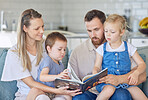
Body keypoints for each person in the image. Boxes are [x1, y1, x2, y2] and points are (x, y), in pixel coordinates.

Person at [1, 9, 81, 100]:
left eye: (42, 26)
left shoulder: (47, 46)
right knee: (42, 97)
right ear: (25, 28)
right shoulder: (15, 53)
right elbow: (31, 83)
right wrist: (57, 91)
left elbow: (56, 68)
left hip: (51, 93)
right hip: (29, 95)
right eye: (37, 28)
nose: (42, 31)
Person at [69, 9, 147, 100]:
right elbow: (72, 81)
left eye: (96, 29)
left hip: (117, 89)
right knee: (79, 98)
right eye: (89, 31)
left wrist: (120, 79)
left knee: (123, 95)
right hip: (92, 92)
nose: (93, 34)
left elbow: (142, 75)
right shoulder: (78, 51)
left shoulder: (125, 47)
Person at [93, 14, 147, 100]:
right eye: (106, 31)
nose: (108, 35)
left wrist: (136, 73)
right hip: (107, 83)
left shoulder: (129, 47)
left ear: (121, 32)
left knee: (139, 94)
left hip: (126, 83)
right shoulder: (101, 49)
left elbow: (142, 64)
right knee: (109, 90)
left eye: (112, 32)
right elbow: (96, 66)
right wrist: (95, 74)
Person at [35, 32, 72, 100]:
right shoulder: (48, 61)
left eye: (64, 49)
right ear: (49, 49)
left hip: (54, 92)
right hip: (43, 92)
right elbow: (42, 77)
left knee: (68, 97)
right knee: (43, 98)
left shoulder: (61, 65)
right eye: (59, 49)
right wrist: (57, 76)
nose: (63, 52)